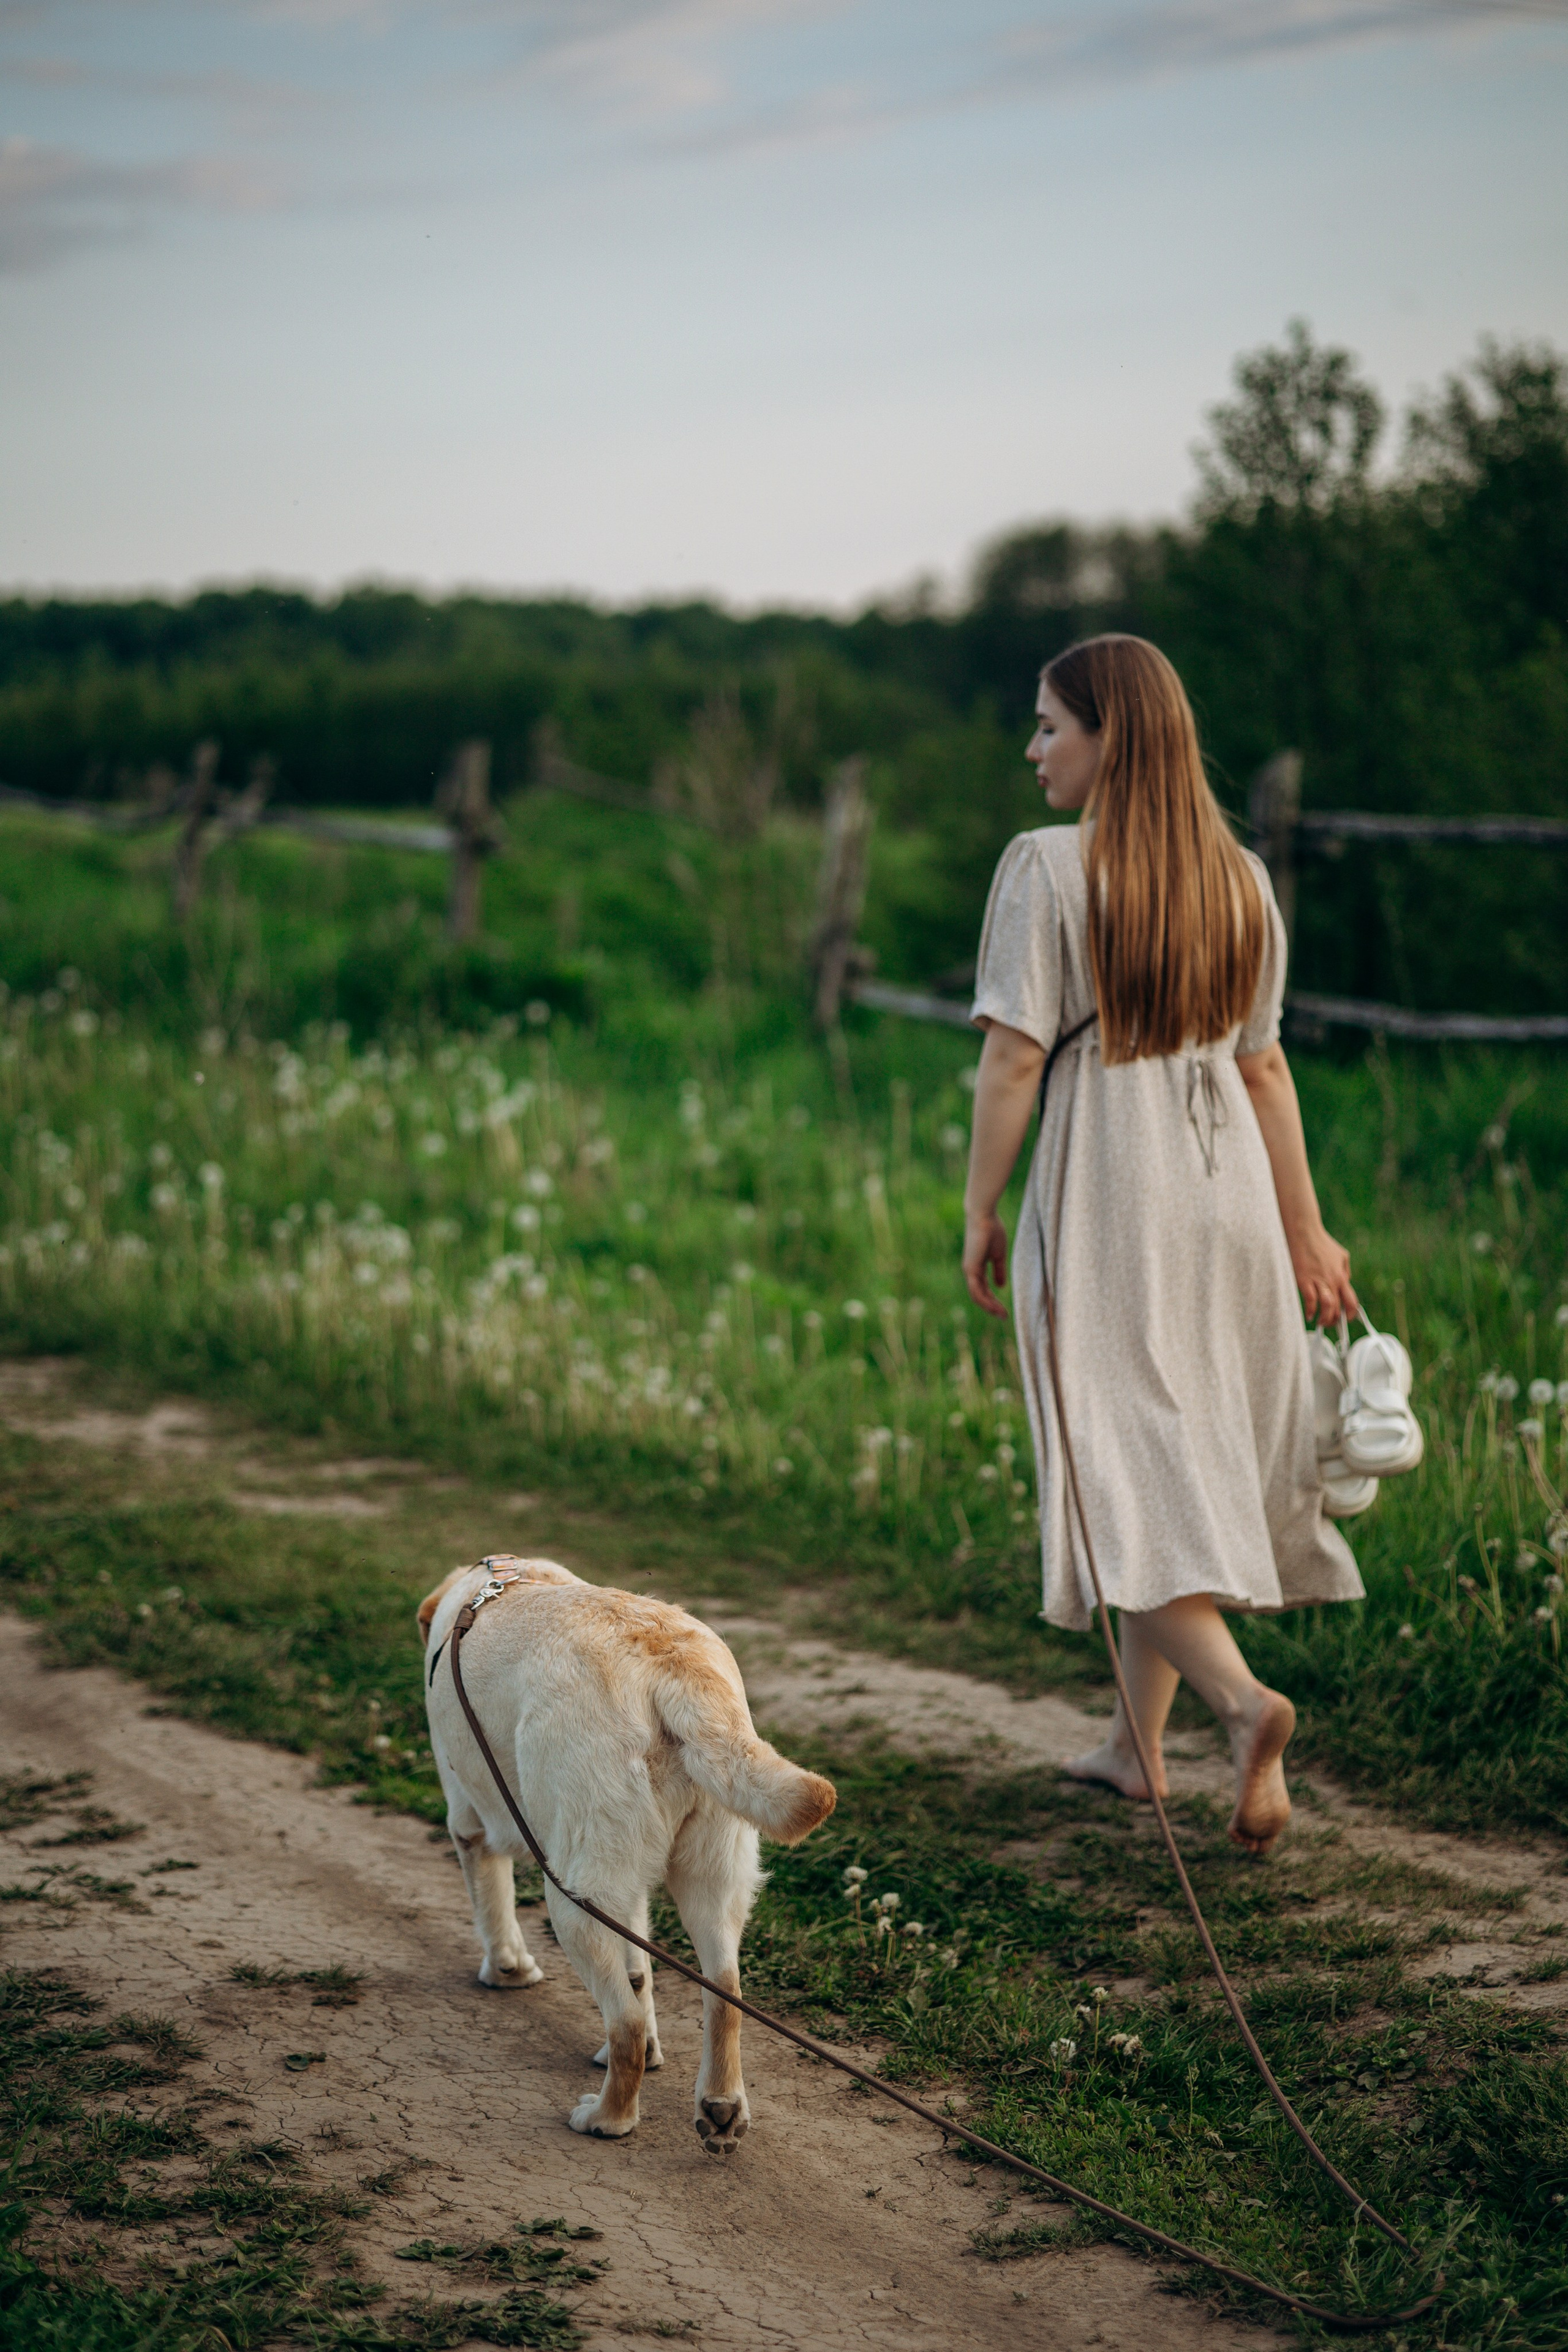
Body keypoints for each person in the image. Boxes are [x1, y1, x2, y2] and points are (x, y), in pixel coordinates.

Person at [962, 634, 1362, 1855]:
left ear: (1108, 737)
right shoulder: (1239, 876)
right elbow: (1263, 1064)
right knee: (1159, 1452)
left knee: (1112, 1462)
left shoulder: (1043, 867)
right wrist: (1303, 1227)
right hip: (1224, 1190)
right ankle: (1135, 1752)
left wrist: (977, 1208)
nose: (1032, 750)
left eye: (1048, 726)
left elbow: (1015, 1056)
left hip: (1111, 1189)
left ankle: (1241, 1709)